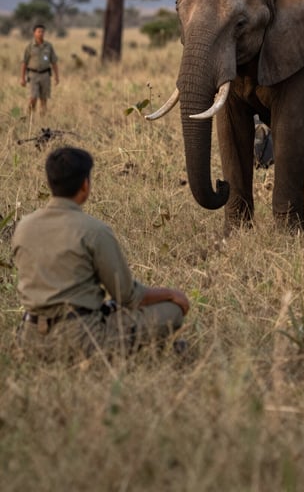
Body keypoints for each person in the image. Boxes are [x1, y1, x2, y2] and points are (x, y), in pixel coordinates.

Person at [12, 147, 190, 361]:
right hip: (82, 336)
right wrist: (171, 294)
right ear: (85, 185)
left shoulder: (23, 226)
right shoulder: (94, 230)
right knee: (171, 311)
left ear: (50, 182)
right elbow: (126, 295)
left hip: (30, 337)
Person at [20, 23, 60, 117]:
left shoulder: (48, 46)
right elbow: (24, 62)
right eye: (38, 31)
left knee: (44, 98)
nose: (41, 33)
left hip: (45, 74)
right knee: (33, 97)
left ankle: (43, 118)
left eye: (42, 31)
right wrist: (22, 78)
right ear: (34, 33)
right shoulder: (30, 46)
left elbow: (54, 62)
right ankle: (30, 116)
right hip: (33, 75)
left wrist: (57, 77)